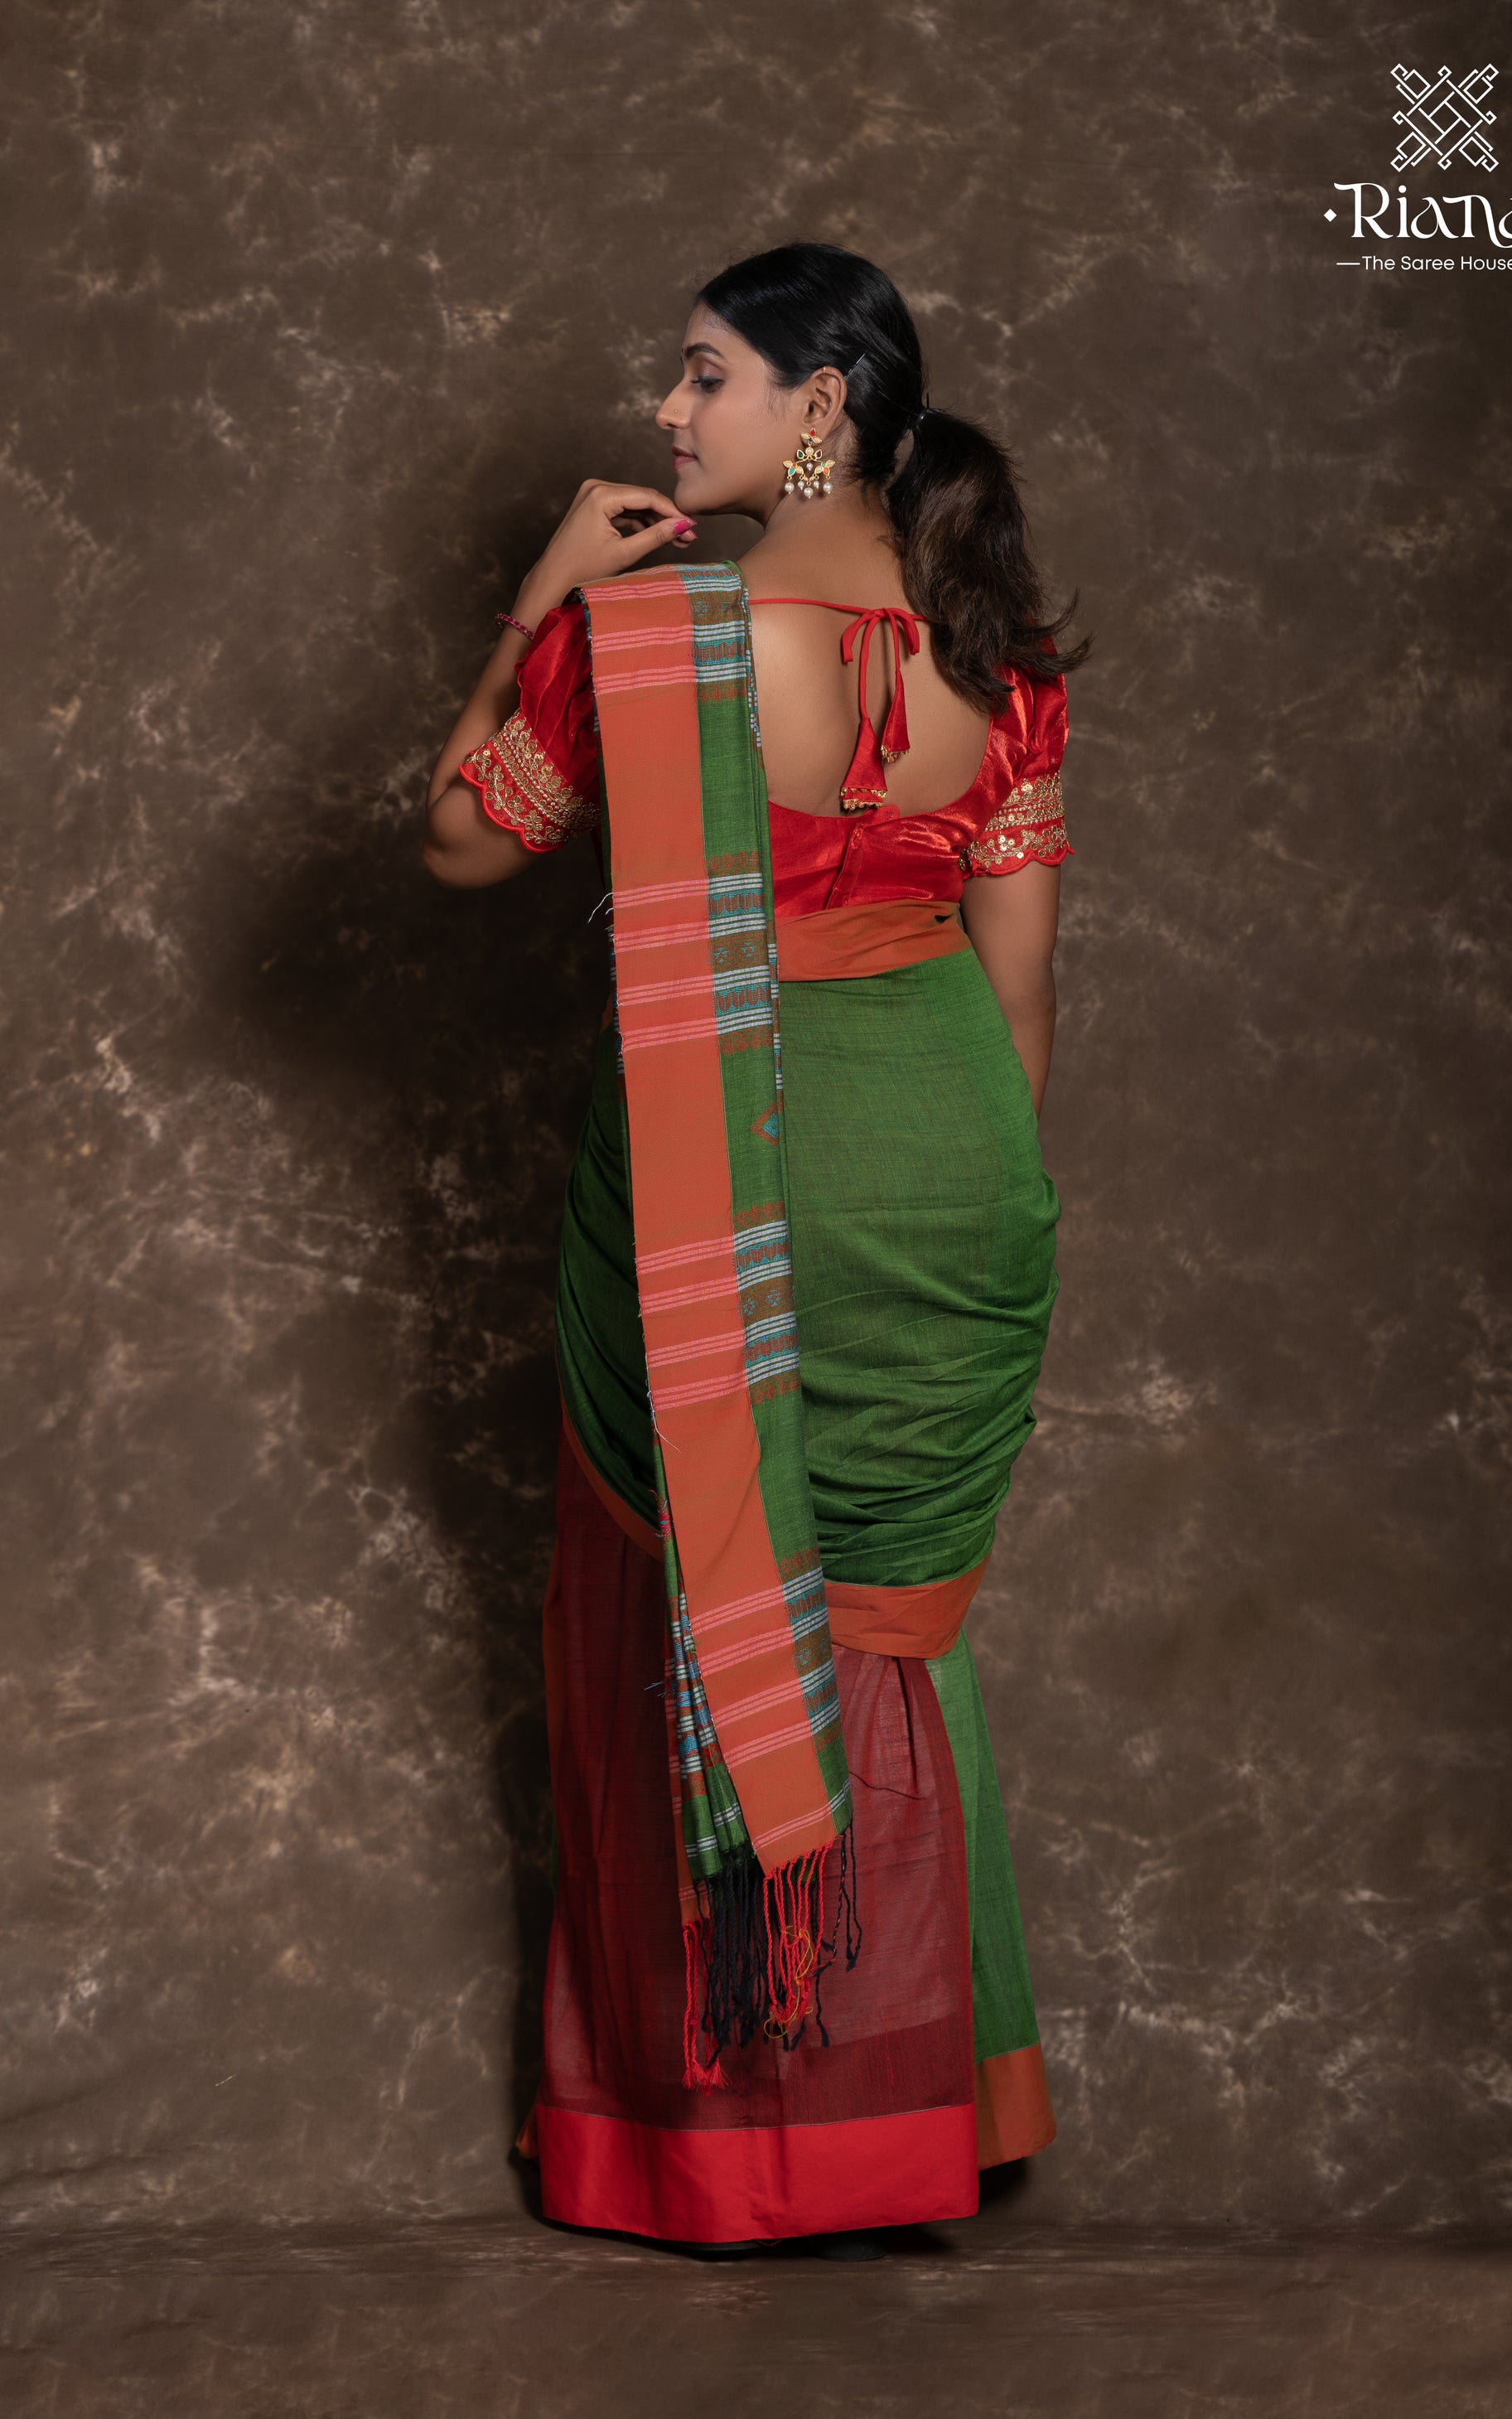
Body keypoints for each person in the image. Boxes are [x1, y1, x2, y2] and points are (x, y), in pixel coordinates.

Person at [422, 242, 1089, 2259]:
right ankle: (930, 2110)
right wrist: (954, 1219)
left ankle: (726, 2139)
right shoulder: (1000, 655)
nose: (665, 409)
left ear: (817, 405)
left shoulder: (652, 644)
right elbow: (1021, 996)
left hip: (736, 1163)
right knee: (887, 1629)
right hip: (958, 1173)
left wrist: (537, 599)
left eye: (703, 373)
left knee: (699, 1602)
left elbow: (459, 836)